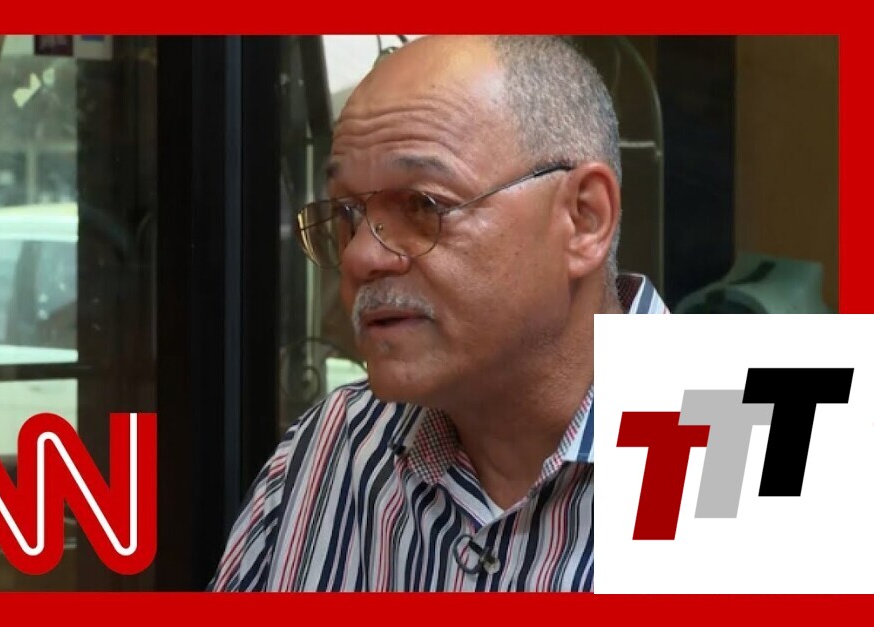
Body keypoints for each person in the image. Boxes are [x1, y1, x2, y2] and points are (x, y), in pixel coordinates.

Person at [210, 35, 668, 592]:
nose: (360, 256)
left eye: (422, 206)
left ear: (583, 219)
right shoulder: (328, 450)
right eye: (348, 214)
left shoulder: (743, 453)